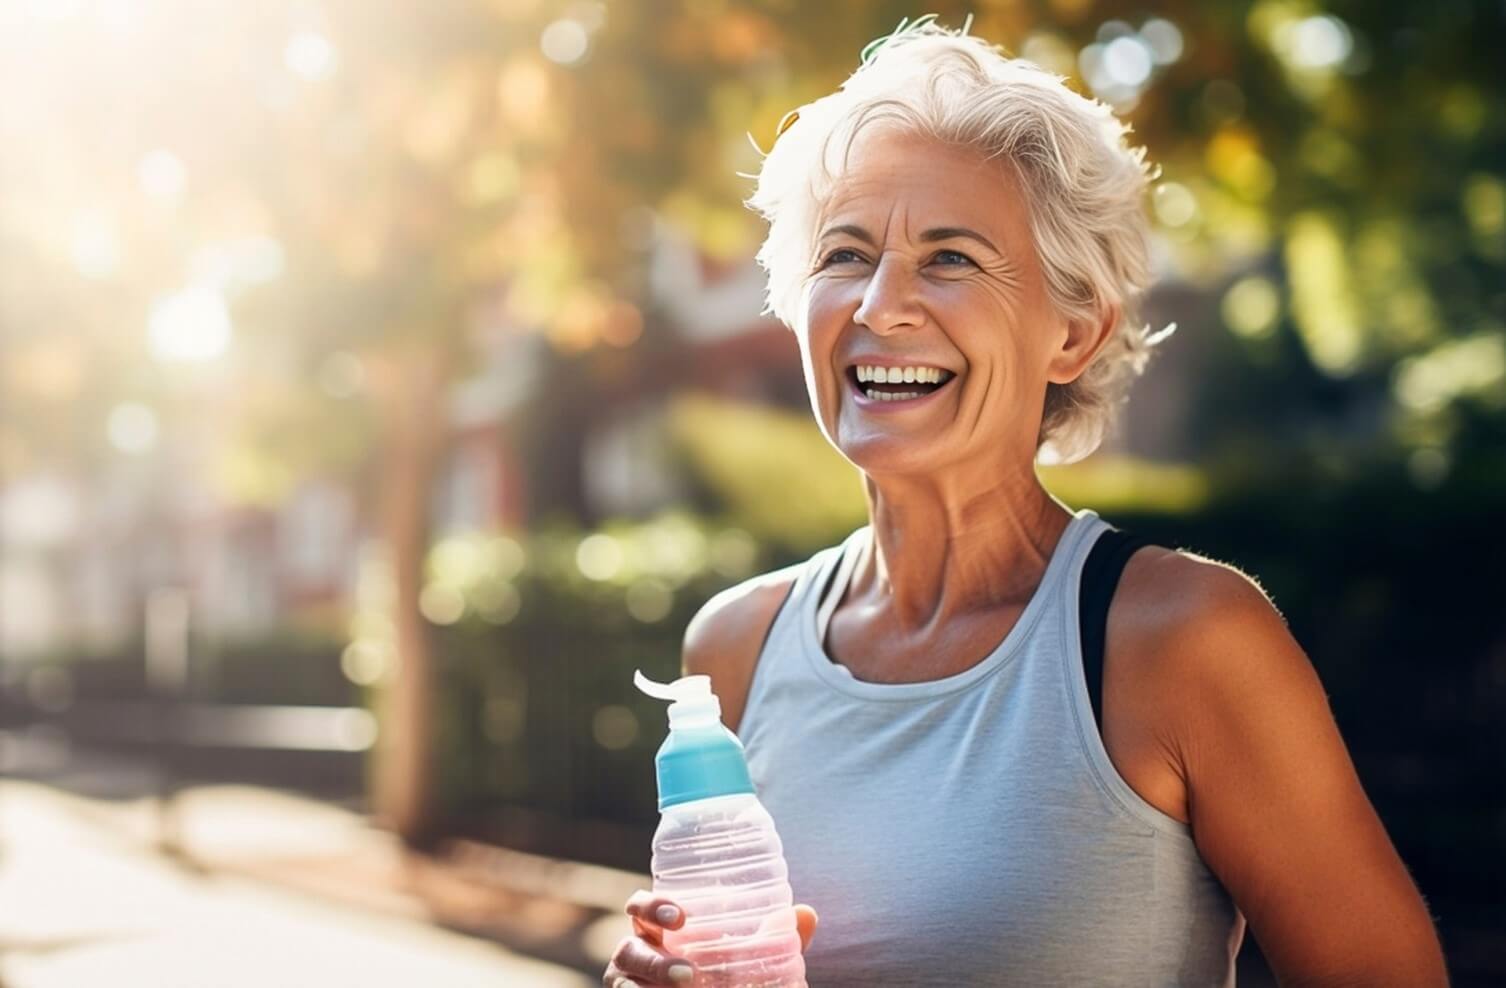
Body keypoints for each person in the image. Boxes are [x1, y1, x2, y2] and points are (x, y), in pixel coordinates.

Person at [605, 18, 1449, 988]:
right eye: (844, 254)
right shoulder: (734, 649)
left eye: (951, 257)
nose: (881, 305)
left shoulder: (1184, 641)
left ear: (1075, 331)